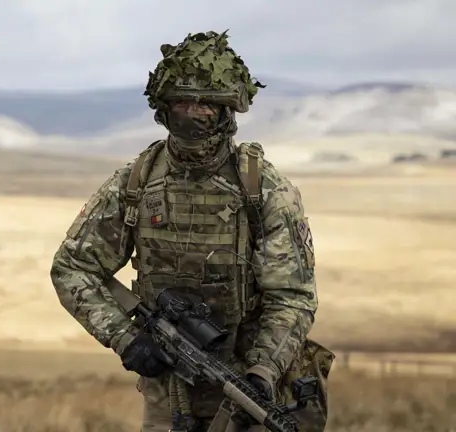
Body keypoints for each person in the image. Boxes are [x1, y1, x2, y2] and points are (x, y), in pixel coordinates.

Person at [49, 30, 334, 432]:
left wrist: (263, 370)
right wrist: (125, 339)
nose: (193, 114)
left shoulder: (265, 191)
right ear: (163, 110)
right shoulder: (136, 183)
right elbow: (71, 267)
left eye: (206, 105)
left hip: (249, 388)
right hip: (168, 394)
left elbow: (293, 297)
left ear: (227, 111)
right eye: (182, 103)